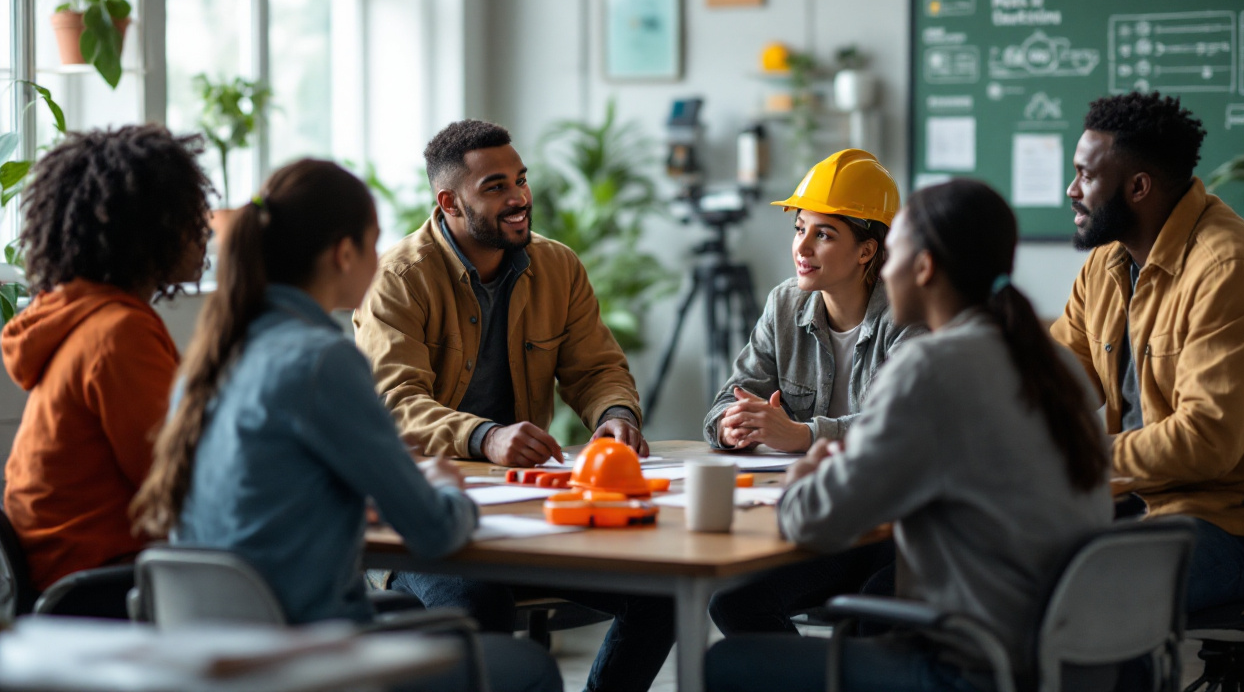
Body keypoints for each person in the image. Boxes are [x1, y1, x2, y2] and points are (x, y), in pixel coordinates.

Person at [131, 160, 559, 692]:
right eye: (374, 243)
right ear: (344, 252)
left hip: (218, 658)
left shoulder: (211, 361)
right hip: (312, 658)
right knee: (531, 670)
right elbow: (433, 531)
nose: (381, 262)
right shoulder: (322, 360)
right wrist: (450, 491)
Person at [707, 178, 1113, 692]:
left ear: (922, 268)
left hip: (975, 664)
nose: (885, 272)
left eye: (892, 254)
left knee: (726, 664)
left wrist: (809, 472)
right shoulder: (1055, 362)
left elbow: (814, 522)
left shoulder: (931, 365)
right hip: (1079, 655)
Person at [354, 120, 673, 692]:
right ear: (449, 202)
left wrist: (614, 418)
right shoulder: (398, 280)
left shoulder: (559, 267)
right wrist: (486, 437)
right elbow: (394, 403)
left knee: (661, 594)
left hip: (528, 513)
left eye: (520, 180)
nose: (519, 197)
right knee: (480, 604)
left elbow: (598, 369)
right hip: (426, 520)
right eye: (496, 186)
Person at [1051, 92, 1244, 613]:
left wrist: (1077, 458)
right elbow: (1053, 380)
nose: (1072, 190)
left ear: (1138, 187)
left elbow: (1205, 442)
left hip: (1237, 527)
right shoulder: (1106, 264)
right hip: (1131, 505)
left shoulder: (1231, 271)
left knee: (1082, 592)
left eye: (1086, 175)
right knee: (988, 558)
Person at [703, 149, 919, 635]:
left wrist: (801, 435)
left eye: (824, 234)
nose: (803, 247)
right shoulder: (784, 303)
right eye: (800, 229)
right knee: (733, 603)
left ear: (867, 249)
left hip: (896, 528)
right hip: (824, 520)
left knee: (866, 616)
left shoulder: (910, 312)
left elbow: (899, 429)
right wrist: (734, 425)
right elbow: (724, 403)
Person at [2, 125, 210, 612]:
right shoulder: (117, 333)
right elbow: (179, 481)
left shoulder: (82, 318)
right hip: (105, 586)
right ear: (144, 228)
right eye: (188, 216)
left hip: (76, 576)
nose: (204, 230)